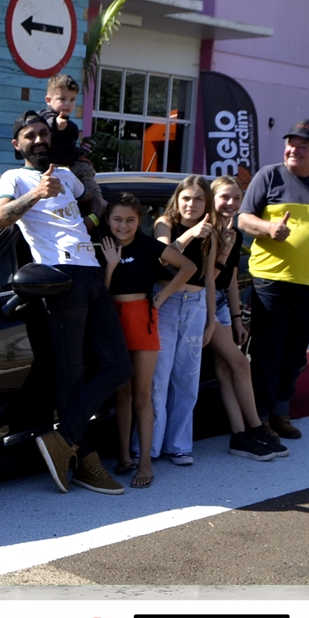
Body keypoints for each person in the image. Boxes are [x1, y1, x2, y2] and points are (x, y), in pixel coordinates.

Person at [0, 110, 132, 495]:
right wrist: (36, 194)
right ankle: (86, 461)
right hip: (59, 277)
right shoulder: (14, 178)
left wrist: (101, 220)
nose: (39, 139)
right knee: (69, 376)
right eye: (30, 136)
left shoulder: (68, 175)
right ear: (17, 144)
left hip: (93, 272)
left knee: (118, 366)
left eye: (43, 133)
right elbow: (0, 218)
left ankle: (63, 438)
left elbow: (97, 205)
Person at [236, 120, 309, 440]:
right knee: (267, 351)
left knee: (295, 352)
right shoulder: (269, 176)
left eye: (303, 146)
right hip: (270, 280)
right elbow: (244, 219)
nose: (294, 150)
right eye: (291, 143)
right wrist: (269, 229)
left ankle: (281, 413)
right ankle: (259, 417)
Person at [98, 193, 196, 489]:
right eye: (117, 219)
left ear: (139, 221)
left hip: (143, 319)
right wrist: (110, 265)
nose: (123, 225)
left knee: (143, 395)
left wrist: (163, 295)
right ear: (108, 220)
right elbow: (101, 294)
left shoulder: (149, 246)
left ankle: (145, 464)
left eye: (130, 220)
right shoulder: (102, 246)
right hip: (112, 322)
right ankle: (124, 457)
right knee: (121, 394)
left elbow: (188, 267)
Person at [208, 175, 288, 461]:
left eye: (236, 198)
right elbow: (207, 280)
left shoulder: (234, 233)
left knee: (226, 370)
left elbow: (230, 280)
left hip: (221, 305)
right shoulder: (208, 233)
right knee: (241, 364)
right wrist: (211, 318)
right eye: (224, 197)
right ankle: (255, 428)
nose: (230, 203)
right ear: (212, 199)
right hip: (202, 303)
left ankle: (239, 435)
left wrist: (236, 318)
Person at [149, 176, 217, 468]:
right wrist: (191, 234)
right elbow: (163, 258)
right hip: (165, 303)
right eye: (186, 198)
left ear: (207, 203)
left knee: (187, 380)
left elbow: (210, 279)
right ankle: (147, 447)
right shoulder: (164, 223)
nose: (191, 204)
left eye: (198, 199)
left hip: (195, 306)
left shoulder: (211, 233)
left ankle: (178, 445)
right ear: (177, 200)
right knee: (158, 379)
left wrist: (211, 321)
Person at [37, 74, 106, 223]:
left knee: (85, 168)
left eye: (72, 100)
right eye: (62, 99)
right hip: (49, 168)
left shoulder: (70, 126)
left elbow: (69, 148)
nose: (67, 104)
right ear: (48, 100)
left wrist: (79, 156)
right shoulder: (43, 118)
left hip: (67, 166)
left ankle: (97, 200)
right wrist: (55, 125)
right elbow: (41, 132)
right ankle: (96, 202)